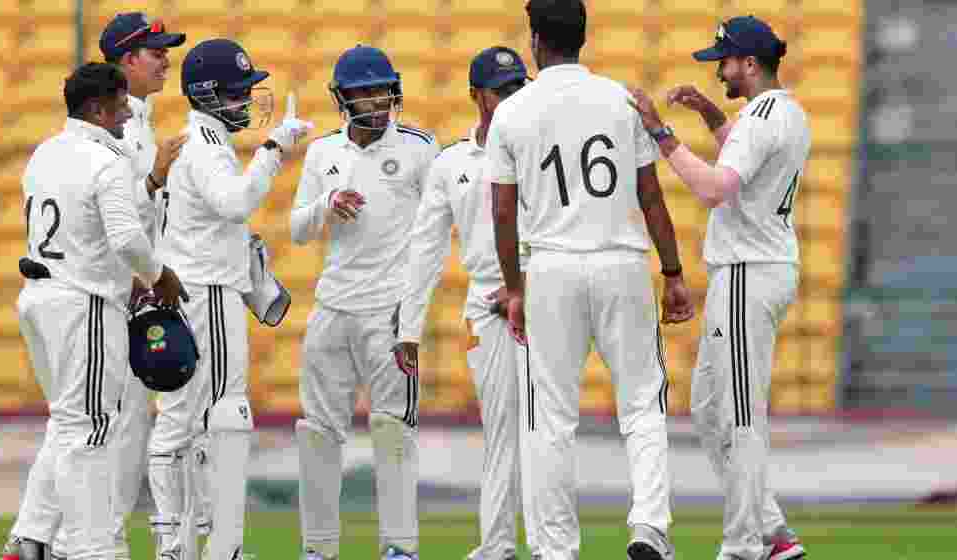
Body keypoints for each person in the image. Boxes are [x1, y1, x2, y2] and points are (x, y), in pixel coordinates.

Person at [486, 1, 696, 559]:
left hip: (550, 267)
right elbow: (649, 196)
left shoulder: (511, 112)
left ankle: (556, 550)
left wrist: (513, 288)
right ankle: (650, 525)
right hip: (621, 262)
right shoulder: (620, 100)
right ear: (582, 36)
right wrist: (673, 273)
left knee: (548, 418)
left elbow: (502, 215)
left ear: (535, 40)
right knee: (643, 404)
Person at [0, 14, 189, 560]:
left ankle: (30, 540)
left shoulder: (44, 152)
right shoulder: (106, 154)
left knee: (70, 421)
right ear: (99, 109)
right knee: (94, 428)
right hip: (84, 302)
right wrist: (158, 276)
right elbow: (127, 232)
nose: (128, 113)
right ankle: (89, 549)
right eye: (120, 106)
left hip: (39, 294)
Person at [627, 15, 810, 560]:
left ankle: (743, 543)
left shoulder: (761, 117)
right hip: (759, 269)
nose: (720, 72)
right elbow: (746, 159)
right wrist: (709, 115)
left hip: (748, 274)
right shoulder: (786, 111)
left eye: (726, 62)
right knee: (710, 410)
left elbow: (714, 188)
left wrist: (661, 132)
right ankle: (774, 532)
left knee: (741, 415)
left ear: (750, 64)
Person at [146, 37, 313, 560]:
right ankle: (220, 547)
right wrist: (274, 150)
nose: (247, 102)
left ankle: (180, 543)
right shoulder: (207, 145)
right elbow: (236, 202)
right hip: (209, 294)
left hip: (192, 290)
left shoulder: (194, 141)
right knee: (224, 414)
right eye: (238, 93)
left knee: (184, 421)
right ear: (210, 94)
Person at [289, 44, 440, 560]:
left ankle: (399, 548)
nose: (375, 100)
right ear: (342, 97)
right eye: (363, 91)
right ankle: (318, 549)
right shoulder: (322, 153)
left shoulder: (421, 147)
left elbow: (438, 230)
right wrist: (325, 206)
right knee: (317, 433)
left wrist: (413, 313)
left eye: (382, 89)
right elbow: (297, 230)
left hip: (389, 313)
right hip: (331, 309)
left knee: (392, 428)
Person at [396, 46, 536, 560]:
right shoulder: (451, 163)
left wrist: (527, 282)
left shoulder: (541, 148)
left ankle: (548, 545)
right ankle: (497, 546)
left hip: (546, 296)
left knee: (544, 427)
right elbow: (426, 248)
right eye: (502, 92)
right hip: (486, 304)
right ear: (476, 95)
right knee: (502, 429)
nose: (513, 100)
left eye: (521, 89)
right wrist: (408, 327)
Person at [99, 12, 189, 559]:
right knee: (108, 423)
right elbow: (119, 216)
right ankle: (84, 540)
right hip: (115, 292)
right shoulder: (120, 127)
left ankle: (77, 539)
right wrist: (155, 177)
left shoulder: (140, 117)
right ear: (127, 59)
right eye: (156, 52)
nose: (166, 60)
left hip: (130, 288)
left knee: (119, 422)